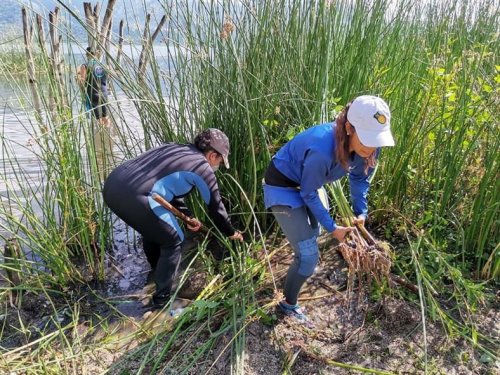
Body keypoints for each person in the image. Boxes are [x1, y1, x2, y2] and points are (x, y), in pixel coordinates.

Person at [263, 95, 395, 325]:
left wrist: (360, 211)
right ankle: (288, 305)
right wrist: (333, 227)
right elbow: (308, 193)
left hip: (310, 183)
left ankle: (298, 269)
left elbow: (360, 178)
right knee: (308, 255)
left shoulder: (371, 147)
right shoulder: (323, 150)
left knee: (313, 236)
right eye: (366, 139)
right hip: (283, 186)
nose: (371, 147)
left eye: (376, 140)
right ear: (348, 128)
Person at [103, 128, 243, 308]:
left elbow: (167, 190)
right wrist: (231, 233)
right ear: (213, 155)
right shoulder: (202, 167)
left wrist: (190, 217)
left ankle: (157, 274)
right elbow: (216, 209)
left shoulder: (177, 149)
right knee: (174, 241)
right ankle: (161, 301)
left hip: (113, 185)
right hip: (136, 196)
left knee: (154, 229)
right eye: (221, 161)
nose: (219, 166)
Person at [76, 47, 111, 127]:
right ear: (95, 54)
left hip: (93, 94)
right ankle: (108, 131)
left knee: (98, 118)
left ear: (87, 55)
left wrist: (78, 80)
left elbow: (82, 81)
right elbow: (108, 77)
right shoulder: (103, 65)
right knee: (105, 116)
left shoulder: (85, 66)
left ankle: (102, 134)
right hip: (104, 93)